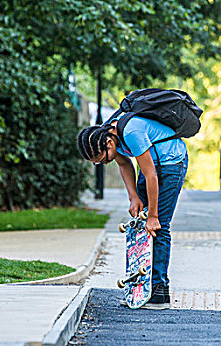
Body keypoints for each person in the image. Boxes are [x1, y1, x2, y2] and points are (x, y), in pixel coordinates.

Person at [77, 115, 188, 309]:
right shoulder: (107, 134)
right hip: (153, 165)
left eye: (103, 160)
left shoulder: (131, 132)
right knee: (139, 227)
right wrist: (133, 197)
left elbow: (150, 175)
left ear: (108, 143)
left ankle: (160, 291)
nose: (104, 163)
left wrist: (152, 216)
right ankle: (141, 287)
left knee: (159, 226)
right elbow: (124, 163)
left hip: (171, 163)